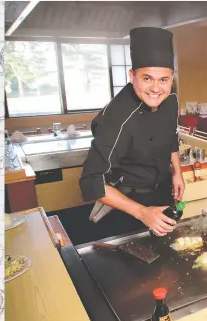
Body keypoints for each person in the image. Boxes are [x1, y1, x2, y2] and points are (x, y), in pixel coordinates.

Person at [79, 27, 184, 239]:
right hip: (127, 204)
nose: (156, 88)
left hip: (162, 192)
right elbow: (91, 180)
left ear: (171, 79)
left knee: (168, 260)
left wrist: (177, 172)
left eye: (163, 80)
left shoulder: (170, 101)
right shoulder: (116, 118)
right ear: (132, 75)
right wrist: (142, 213)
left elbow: (171, 136)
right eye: (147, 79)